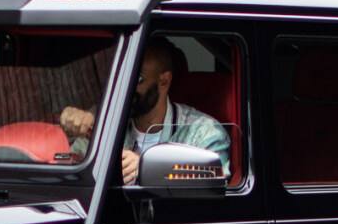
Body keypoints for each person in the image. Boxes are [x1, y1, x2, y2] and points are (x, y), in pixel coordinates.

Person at [59, 39, 231, 184]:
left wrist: (147, 169)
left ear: (163, 82)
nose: (127, 87)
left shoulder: (203, 132)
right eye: (124, 77)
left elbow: (215, 178)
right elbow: (66, 169)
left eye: (138, 79)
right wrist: (70, 128)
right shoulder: (104, 119)